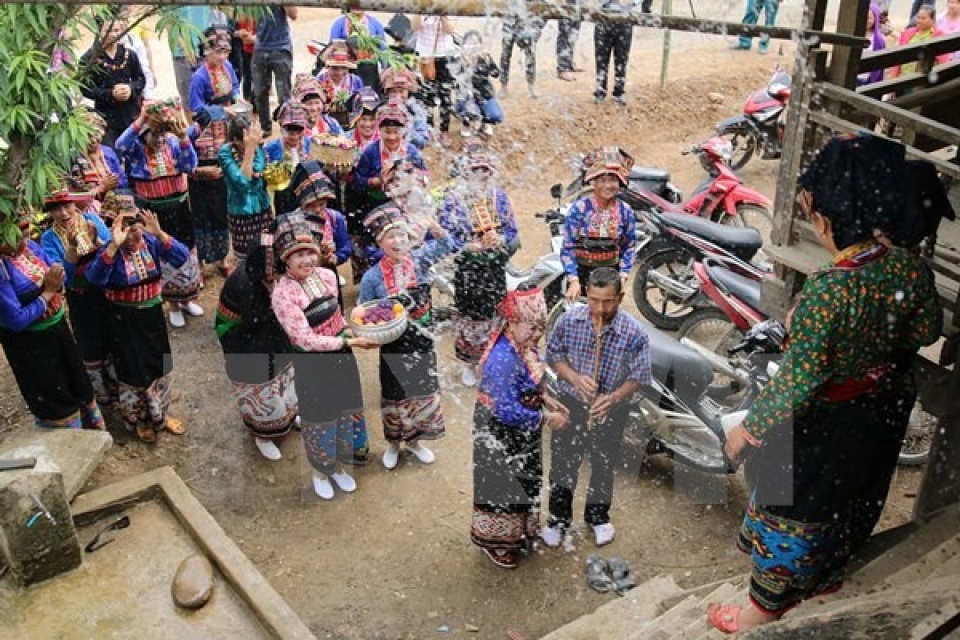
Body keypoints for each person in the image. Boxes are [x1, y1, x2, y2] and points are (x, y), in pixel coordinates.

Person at [706, 134, 942, 634]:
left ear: (824, 218)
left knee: (794, 508)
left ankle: (763, 608)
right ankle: (827, 576)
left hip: (827, 425)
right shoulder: (907, 266)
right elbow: (925, 331)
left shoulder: (829, 292)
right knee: (854, 497)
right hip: (880, 412)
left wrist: (747, 432)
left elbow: (799, 379)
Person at [541, 267, 652, 548]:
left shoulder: (634, 332)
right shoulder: (569, 320)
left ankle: (598, 517)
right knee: (563, 464)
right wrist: (574, 378)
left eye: (608, 302)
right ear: (586, 294)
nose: (600, 309)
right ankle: (557, 519)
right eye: (594, 300)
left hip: (610, 410)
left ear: (620, 298)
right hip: (569, 404)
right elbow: (554, 355)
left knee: (604, 463)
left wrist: (612, 398)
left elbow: (638, 377)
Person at [271, 212, 377, 499]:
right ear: (285, 260)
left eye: (310, 252)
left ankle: (340, 466)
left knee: (345, 409)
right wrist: (349, 341)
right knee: (320, 417)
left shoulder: (328, 277)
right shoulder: (283, 295)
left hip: (342, 357)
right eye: (298, 255)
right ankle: (321, 471)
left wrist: (354, 331)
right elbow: (303, 340)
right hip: (314, 366)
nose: (307, 260)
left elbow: (337, 318)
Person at [471, 286, 570, 569]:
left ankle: (519, 531)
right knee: (502, 485)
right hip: (500, 432)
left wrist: (546, 398)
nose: (537, 333)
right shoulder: (502, 359)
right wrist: (547, 419)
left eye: (541, 327)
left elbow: (531, 379)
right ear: (512, 322)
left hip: (524, 427)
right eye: (532, 327)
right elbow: (506, 409)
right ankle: (497, 543)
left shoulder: (524, 346)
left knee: (525, 478)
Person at [86, 193, 191, 443]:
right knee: (133, 371)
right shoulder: (108, 252)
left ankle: (161, 413)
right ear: (114, 229)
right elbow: (95, 280)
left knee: (159, 363)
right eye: (126, 228)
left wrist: (160, 233)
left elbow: (182, 256)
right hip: (123, 320)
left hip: (152, 316)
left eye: (136, 227)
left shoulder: (150, 243)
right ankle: (140, 420)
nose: (134, 235)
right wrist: (113, 246)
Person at [358, 203, 454, 470]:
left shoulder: (420, 259)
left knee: (421, 391)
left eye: (401, 234)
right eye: (390, 236)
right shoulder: (372, 278)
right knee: (395, 394)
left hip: (422, 341)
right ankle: (393, 444)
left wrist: (433, 225)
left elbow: (448, 245)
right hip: (393, 346)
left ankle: (415, 443)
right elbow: (364, 312)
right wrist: (374, 330)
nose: (398, 241)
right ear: (380, 243)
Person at [0, 212, 105, 430]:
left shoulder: (30, 249)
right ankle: (69, 441)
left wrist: (73, 249)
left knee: (76, 381)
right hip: (32, 346)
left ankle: (92, 429)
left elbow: (59, 274)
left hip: (58, 330)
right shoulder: (2, 269)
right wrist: (48, 292)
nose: (25, 241)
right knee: (54, 393)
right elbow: (16, 320)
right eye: (18, 237)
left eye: (26, 235)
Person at [115, 101, 203, 328]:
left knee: (186, 249)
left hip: (179, 207)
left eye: (163, 132)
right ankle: (172, 304)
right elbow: (119, 145)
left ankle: (187, 298)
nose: (159, 138)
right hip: (153, 211)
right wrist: (142, 119)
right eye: (154, 133)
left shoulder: (174, 144)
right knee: (162, 254)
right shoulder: (136, 149)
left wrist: (183, 138)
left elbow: (190, 165)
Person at [216, 233, 298, 460]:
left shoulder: (268, 277)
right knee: (261, 386)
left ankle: (288, 417)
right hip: (245, 341)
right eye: (275, 271)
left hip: (269, 333)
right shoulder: (245, 283)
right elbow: (256, 320)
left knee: (284, 375)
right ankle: (263, 434)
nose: (279, 275)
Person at [440, 150, 519, 386]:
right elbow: (445, 236)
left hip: (494, 268)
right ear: (466, 173)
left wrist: (500, 239)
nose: (481, 175)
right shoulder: (453, 200)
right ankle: (468, 364)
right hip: (468, 269)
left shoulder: (499, 197)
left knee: (495, 312)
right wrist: (467, 246)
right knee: (468, 315)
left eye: (485, 170)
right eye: (476, 170)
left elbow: (512, 230)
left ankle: (489, 362)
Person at [40, 187, 114, 405]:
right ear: (49, 212)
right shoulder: (48, 238)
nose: (63, 213)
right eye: (56, 209)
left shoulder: (92, 220)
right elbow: (62, 277)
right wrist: (72, 251)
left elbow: (111, 250)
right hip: (80, 296)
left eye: (67, 206)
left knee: (113, 333)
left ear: (74, 204)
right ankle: (100, 389)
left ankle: (118, 381)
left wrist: (96, 241)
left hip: (105, 289)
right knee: (89, 340)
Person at [561, 147, 637, 301]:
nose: (608, 185)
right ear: (593, 182)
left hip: (611, 278)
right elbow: (568, 246)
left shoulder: (625, 211)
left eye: (613, 180)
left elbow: (629, 246)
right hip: (582, 276)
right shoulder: (580, 209)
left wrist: (623, 276)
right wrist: (574, 281)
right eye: (602, 180)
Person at [290, 162, 353, 303]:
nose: (318, 209)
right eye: (312, 206)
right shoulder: (292, 222)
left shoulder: (334, 218)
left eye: (322, 204)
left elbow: (345, 247)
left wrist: (335, 258)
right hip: (301, 277)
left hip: (329, 273)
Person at [80, 15, 147, 146]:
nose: (113, 35)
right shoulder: (90, 59)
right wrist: (111, 93)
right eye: (108, 31)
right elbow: (85, 88)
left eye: (116, 30)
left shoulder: (129, 55)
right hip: (106, 118)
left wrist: (130, 88)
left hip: (131, 116)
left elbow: (140, 80)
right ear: (98, 31)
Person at [219, 114, 273, 264]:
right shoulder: (225, 152)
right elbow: (242, 183)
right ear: (235, 140)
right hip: (241, 212)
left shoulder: (259, 148)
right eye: (250, 137)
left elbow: (260, 171)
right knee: (245, 258)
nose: (255, 139)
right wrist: (249, 149)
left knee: (266, 251)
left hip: (263, 209)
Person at [187, 104, 232, 278]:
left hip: (220, 180)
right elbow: (183, 160)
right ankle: (199, 264)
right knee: (200, 219)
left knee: (221, 217)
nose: (216, 129)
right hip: (198, 183)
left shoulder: (227, 129)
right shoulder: (193, 133)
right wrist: (198, 171)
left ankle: (222, 259)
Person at [412, 15, 458, 146]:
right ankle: (429, 129)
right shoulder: (421, 7)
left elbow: (450, 29)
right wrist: (421, 12)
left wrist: (441, 14)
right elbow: (415, 26)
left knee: (445, 96)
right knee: (426, 95)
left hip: (445, 54)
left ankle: (444, 131)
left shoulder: (447, 8)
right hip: (424, 55)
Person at [253, 5, 298, 136]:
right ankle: (265, 127)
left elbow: (294, 15)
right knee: (259, 92)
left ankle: (287, 128)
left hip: (281, 47)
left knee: (283, 93)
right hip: (260, 47)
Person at [264, 100, 312, 216]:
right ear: (281, 128)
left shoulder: (311, 144)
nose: (295, 137)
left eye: (299, 132)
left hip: (307, 195)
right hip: (283, 200)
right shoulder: (270, 148)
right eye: (290, 133)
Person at [456, 31, 504, 137]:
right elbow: (456, 81)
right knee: (469, 109)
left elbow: (496, 74)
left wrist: (486, 60)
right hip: (466, 95)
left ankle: (485, 123)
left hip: (484, 93)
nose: (472, 46)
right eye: (469, 43)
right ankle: (466, 123)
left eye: (475, 43)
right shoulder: (459, 59)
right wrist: (466, 64)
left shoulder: (484, 57)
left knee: (496, 116)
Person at [72, 110, 127, 201]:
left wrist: (114, 182)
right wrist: (102, 187)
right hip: (90, 205)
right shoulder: (74, 157)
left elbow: (123, 180)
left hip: (114, 200)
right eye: (88, 136)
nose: (93, 140)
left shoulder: (108, 152)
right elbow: (77, 194)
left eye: (96, 135)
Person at [330, 7, 387, 91]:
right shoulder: (339, 23)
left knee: (368, 95)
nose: (357, 7)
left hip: (369, 70)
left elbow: (383, 49)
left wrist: (384, 69)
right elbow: (333, 46)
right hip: (347, 69)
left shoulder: (375, 23)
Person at [168, 5, 212, 113]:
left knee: (211, 96)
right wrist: (185, 46)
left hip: (206, 49)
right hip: (183, 54)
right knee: (189, 100)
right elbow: (168, 21)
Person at [189, 25, 241, 115]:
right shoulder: (199, 77)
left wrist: (236, 96)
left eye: (226, 52)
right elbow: (197, 107)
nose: (222, 57)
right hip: (212, 121)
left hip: (230, 114)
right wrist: (221, 110)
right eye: (218, 52)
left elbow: (235, 85)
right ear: (207, 51)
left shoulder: (227, 66)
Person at [316, 40, 365, 130]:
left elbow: (361, 105)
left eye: (344, 68)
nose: (339, 72)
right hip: (326, 124)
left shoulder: (356, 81)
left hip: (351, 124)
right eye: (335, 68)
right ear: (328, 67)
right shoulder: (320, 79)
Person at [593, 1, 634, 106]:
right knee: (601, 59)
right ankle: (600, 91)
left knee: (622, 60)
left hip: (625, 20)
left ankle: (619, 92)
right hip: (603, 19)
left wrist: (632, 2)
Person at [380, 68, 431, 150]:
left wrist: (406, 129)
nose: (397, 95)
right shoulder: (381, 109)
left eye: (401, 91)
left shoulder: (415, 110)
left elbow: (422, 142)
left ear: (408, 91)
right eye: (393, 91)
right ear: (387, 92)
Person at [892, 5, 950, 77]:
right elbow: (898, 58)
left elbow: (943, 61)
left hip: (922, 78)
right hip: (903, 76)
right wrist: (893, 77)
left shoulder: (938, 35)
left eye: (923, 18)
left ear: (933, 20)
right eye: (918, 17)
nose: (919, 21)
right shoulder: (908, 32)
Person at [500, 14, 543, 99]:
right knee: (505, 55)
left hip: (526, 20)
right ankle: (503, 86)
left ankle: (531, 87)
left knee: (530, 54)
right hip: (509, 20)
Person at [858, 4, 888, 86]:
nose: (866, 20)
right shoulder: (853, 34)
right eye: (863, 17)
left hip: (868, 80)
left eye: (869, 18)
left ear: (875, 18)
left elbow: (880, 64)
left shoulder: (879, 40)